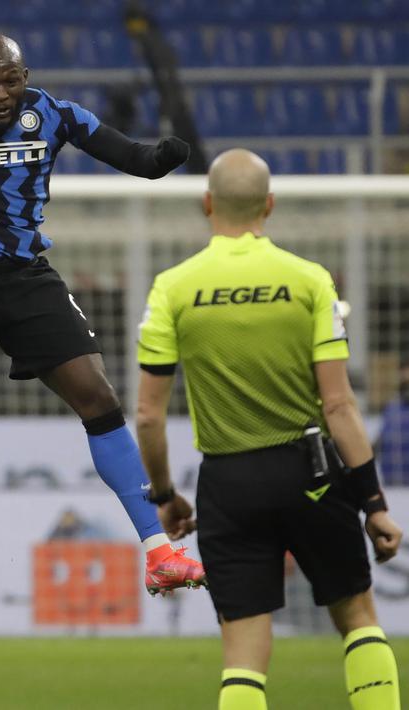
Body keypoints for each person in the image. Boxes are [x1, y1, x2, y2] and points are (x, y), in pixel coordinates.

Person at [0, 34, 206, 653]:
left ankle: (158, 554)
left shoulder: (50, 112)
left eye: (11, 82)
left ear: (25, 75)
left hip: (25, 277)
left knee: (98, 396)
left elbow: (123, 151)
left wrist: (159, 159)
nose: (1, 95)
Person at [136, 149, 402, 710]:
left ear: (207, 204)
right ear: (270, 206)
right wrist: (373, 501)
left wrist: (164, 495)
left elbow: (148, 416)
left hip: (229, 484)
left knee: (244, 654)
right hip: (313, 474)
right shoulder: (310, 281)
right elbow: (340, 407)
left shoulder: (174, 287)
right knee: (357, 618)